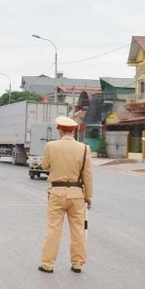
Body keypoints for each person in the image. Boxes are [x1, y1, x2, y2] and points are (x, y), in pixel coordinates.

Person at [38, 116, 93, 274]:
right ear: (74, 131)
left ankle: (48, 264)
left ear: (60, 130)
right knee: (78, 229)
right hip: (77, 193)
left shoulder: (51, 146)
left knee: (53, 229)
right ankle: (77, 264)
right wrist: (88, 196)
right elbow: (87, 174)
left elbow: (45, 165)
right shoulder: (84, 148)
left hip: (56, 192)